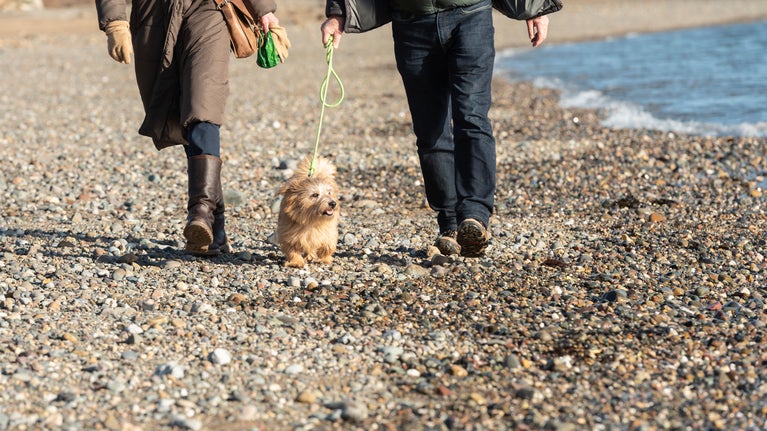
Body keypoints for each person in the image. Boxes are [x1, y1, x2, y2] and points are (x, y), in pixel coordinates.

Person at [321, 0, 549, 257]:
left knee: (472, 118)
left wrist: (535, 7)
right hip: (411, 23)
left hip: (471, 16)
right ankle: (450, 225)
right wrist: (338, 13)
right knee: (430, 132)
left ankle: (475, 217)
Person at [96, 0, 288, 256]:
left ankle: (200, 211)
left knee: (202, 103)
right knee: (179, 112)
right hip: (153, 16)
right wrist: (115, 22)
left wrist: (265, 12)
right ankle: (215, 231)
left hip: (209, 9)